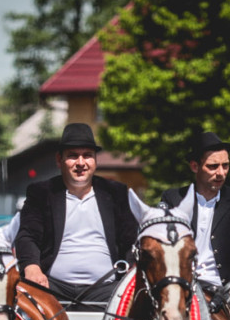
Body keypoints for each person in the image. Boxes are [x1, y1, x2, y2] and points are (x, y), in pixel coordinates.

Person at [15, 123, 138, 304]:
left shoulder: (115, 193)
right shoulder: (41, 193)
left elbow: (132, 240)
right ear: (59, 160)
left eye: (87, 156)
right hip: (51, 286)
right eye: (73, 156)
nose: (81, 163)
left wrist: (131, 269)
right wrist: (32, 267)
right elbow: (27, 236)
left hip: (107, 288)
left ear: (95, 160)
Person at [160, 131, 230, 320]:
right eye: (213, 166)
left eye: (225, 165)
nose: (221, 173)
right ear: (195, 166)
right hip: (180, 289)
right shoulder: (173, 199)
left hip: (226, 292)